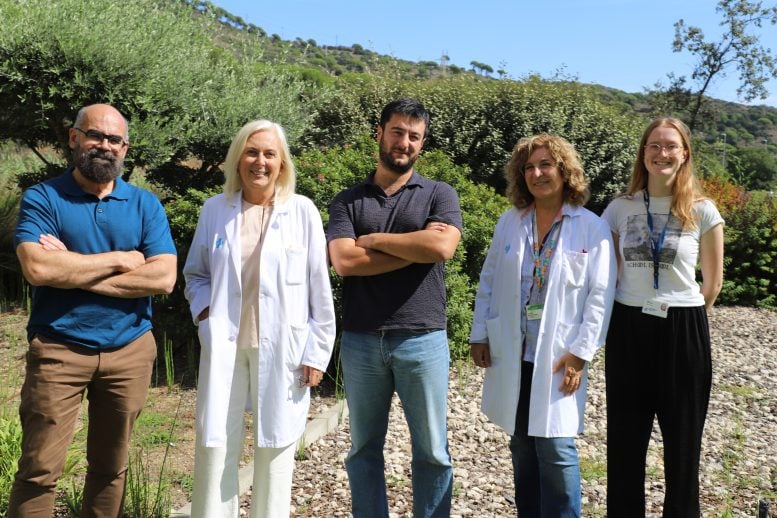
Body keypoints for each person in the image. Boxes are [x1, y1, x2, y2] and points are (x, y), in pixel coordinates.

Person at [10, 103, 177, 517]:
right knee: (39, 467)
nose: (104, 146)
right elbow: (38, 266)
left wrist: (72, 267)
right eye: (95, 135)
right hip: (59, 349)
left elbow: (163, 279)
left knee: (111, 467)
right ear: (74, 138)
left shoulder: (145, 204)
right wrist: (122, 258)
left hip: (130, 351)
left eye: (114, 139)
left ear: (126, 148)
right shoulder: (43, 197)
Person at [183, 119, 336, 518]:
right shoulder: (215, 210)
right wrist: (205, 312)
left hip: (283, 348)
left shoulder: (302, 212)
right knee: (215, 443)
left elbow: (319, 288)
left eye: (269, 154)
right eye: (252, 152)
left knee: (276, 446)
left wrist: (317, 353)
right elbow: (196, 274)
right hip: (226, 345)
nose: (260, 161)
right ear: (238, 159)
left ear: (282, 163)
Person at [327, 98, 462, 518]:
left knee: (433, 451)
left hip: (423, 338)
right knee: (363, 449)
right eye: (398, 132)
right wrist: (415, 247)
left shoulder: (440, 194)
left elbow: (441, 246)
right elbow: (345, 262)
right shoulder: (347, 201)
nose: (404, 142)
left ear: (422, 145)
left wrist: (374, 240)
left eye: (414, 136)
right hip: (362, 339)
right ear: (380, 133)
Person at [469, 134, 615, 517]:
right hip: (514, 350)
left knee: (556, 447)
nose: (537, 173)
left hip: (558, 353)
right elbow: (489, 279)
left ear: (565, 171)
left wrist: (581, 354)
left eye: (546, 165)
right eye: (529, 167)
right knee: (521, 444)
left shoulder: (591, 227)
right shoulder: (511, 222)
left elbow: (600, 296)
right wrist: (479, 333)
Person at [602, 117, 724, 517]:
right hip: (629, 327)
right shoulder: (619, 208)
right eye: (654, 146)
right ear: (643, 153)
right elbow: (606, 273)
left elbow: (712, 284)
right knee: (624, 440)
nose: (662, 153)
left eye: (670, 146)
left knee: (683, 441)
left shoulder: (703, 211)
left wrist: (680, 312)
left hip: (683, 329)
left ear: (685, 153)